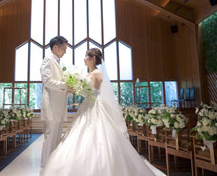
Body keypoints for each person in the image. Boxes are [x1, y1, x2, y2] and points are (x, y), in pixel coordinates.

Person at [42, 48, 165, 176]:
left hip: (94, 106)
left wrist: (80, 90)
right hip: (86, 106)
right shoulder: (87, 73)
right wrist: (75, 88)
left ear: (93, 59)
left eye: (86, 56)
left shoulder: (96, 73)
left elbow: (94, 94)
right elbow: (86, 90)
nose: (84, 59)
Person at [39, 36, 69, 174]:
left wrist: (68, 88)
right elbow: (47, 81)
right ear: (55, 47)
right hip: (52, 106)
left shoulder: (58, 62)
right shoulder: (48, 60)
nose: (65, 52)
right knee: (50, 138)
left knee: (57, 139)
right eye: (64, 49)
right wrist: (65, 86)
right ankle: (45, 169)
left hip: (59, 106)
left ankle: (53, 167)